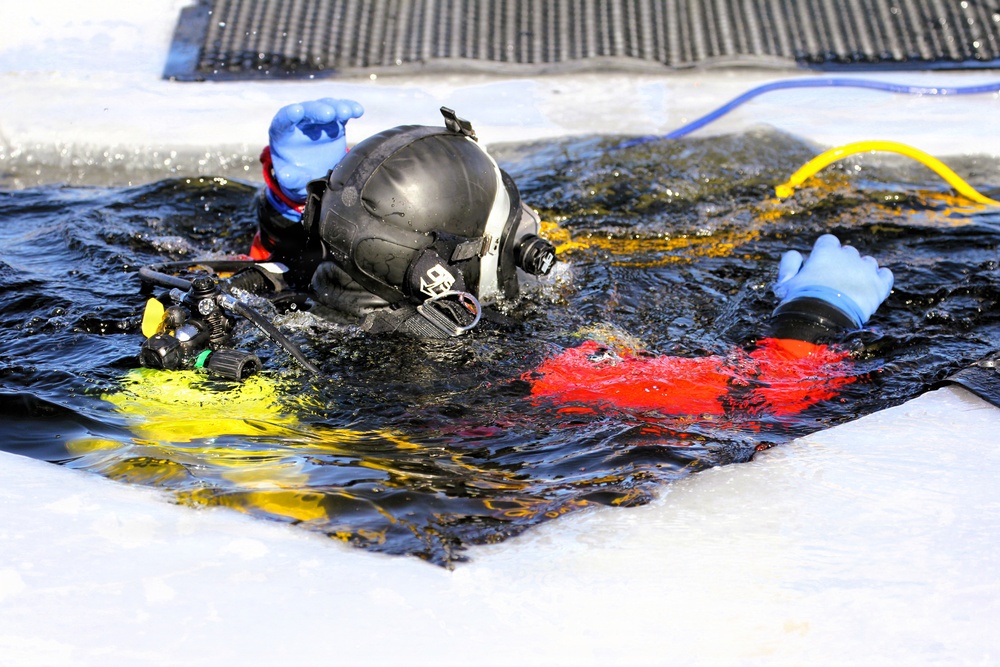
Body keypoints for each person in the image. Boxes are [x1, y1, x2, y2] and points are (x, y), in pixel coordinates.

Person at [249, 97, 894, 420]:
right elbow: (754, 400)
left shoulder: (306, 313)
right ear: (448, 276)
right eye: (509, 223)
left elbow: (282, 270)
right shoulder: (533, 372)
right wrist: (817, 318)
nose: (529, 232)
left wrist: (290, 212)